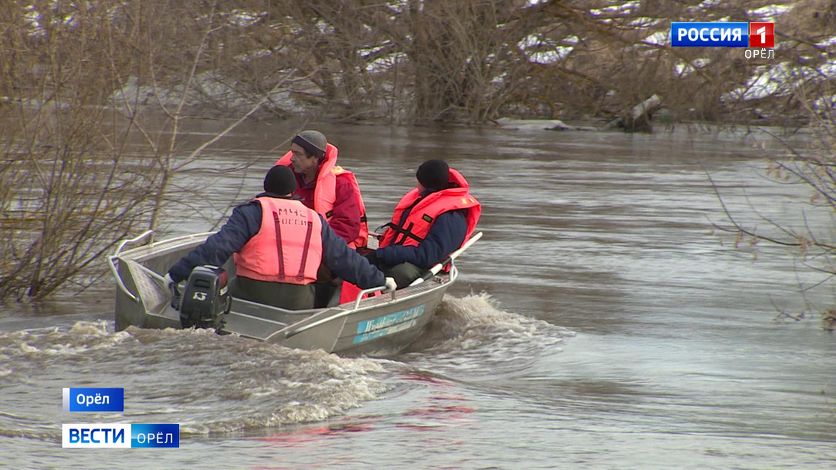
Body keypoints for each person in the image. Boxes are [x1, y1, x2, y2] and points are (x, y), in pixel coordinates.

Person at [164, 165, 395, 311]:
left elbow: (215, 249)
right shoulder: (314, 218)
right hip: (298, 301)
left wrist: (176, 274)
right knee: (325, 287)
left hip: (252, 293)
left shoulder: (252, 212)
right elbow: (345, 260)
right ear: (292, 191)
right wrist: (379, 281)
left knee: (219, 283)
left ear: (266, 187)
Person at [275, 130, 371, 305]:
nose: (291, 159)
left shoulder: (341, 183)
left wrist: (311, 247)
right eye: (291, 153)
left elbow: (348, 226)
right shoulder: (285, 178)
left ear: (315, 158)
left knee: (316, 270)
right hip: (288, 245)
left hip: (327, 249)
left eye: (297, 154)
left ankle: (317, 303)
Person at [366, 159, 481, 288]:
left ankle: (374, 297)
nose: (417, 185)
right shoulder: (423, 199)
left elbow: (428, 255)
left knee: (397, 273)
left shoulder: (451, 216)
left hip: (422, 266)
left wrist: (384, 255)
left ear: (427, 184)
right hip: (400, 255)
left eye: (419, 181)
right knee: (359, 262)